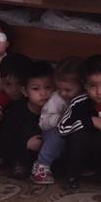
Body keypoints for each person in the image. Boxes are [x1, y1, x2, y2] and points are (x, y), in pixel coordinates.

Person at [57, 53, 101, 190]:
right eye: (92, 85)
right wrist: (90, 121)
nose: (99, 91)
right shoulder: (79, 102)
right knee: (80, 136)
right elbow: (62, 128)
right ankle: (72, 176)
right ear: (84, 85)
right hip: (80, 153)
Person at [30, 56, 83, 185]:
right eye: (59, 89)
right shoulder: (56, 100)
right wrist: (59, 120)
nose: (63, 93)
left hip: (74, 133)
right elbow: (43, 123)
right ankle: (42, 165)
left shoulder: (84, 99)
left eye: (68, 90)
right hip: (52, 133)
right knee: (58, 133)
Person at [0, 60, 52, 174]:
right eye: (36, 89)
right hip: (20, 153)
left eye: (48, 87)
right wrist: (25, 145)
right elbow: (5, 142)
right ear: (25, 91)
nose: (43, 93)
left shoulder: (56, 109)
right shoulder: (17, 112)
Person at [0, 52, 33, 127]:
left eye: (20, 83)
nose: (14, 90)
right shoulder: (1, 99)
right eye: (8, 84)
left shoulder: (33, 100)